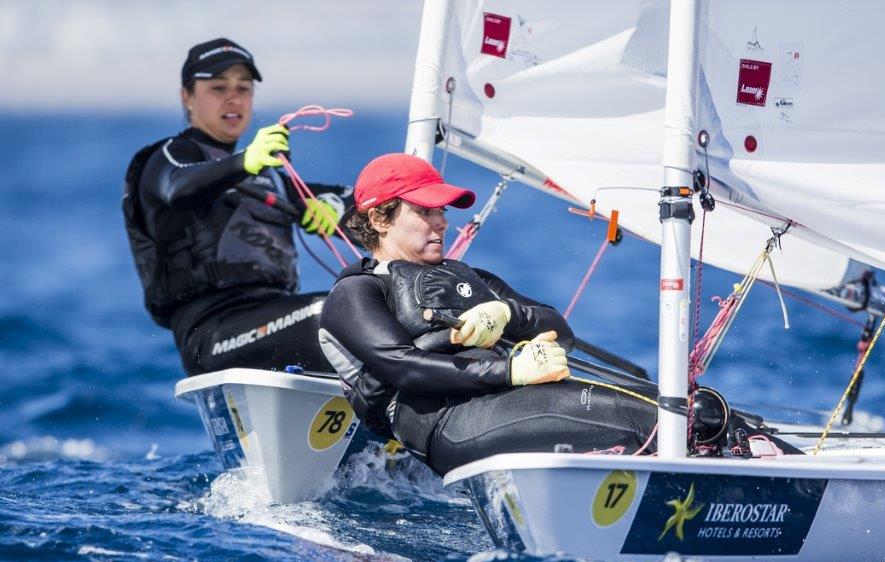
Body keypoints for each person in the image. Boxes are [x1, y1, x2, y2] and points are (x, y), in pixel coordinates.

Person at [317, 153, 658, 476]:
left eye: (443, 211)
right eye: (424, 211)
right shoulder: (356, 292)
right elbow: (403, 367)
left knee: (687, 411)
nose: (442, 222)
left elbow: (560, 332)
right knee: (646, 421)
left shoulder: (473, 278)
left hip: (507, 401)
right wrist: (509, 370)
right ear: (379, 218)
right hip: (446, 422)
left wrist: (507, 314)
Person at [122, 38, 352, 375]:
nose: (233, 98)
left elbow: (366, 201)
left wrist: (336, 208)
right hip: (212, 334)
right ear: (187, 97)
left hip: (278, 322)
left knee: (374, 304)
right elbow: (179, 188)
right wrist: (246, 160)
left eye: (243, 88)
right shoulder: (170, 158)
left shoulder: (269, 179)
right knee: (337, 314)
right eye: (218, 88)